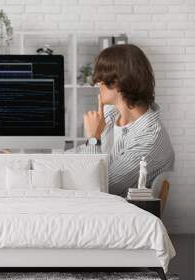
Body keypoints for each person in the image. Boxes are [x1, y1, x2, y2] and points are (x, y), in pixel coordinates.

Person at [72, 44, 174, 197]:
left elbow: (101, 189)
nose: (97, 83)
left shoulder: (149, 138)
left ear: (119, 82)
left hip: (114, 215)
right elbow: (78, 156)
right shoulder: (111, 114)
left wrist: (93, 139)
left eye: (101, 77)